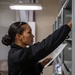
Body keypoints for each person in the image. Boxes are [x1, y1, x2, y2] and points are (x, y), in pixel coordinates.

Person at [1, 21, 72, 75]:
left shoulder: (18, 52)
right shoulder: (17, 55)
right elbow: (44, 46)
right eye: (29, 32)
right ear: (19, 36)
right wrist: (68, 26)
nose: (33, 35)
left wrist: (41, 65)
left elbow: (25, 70)